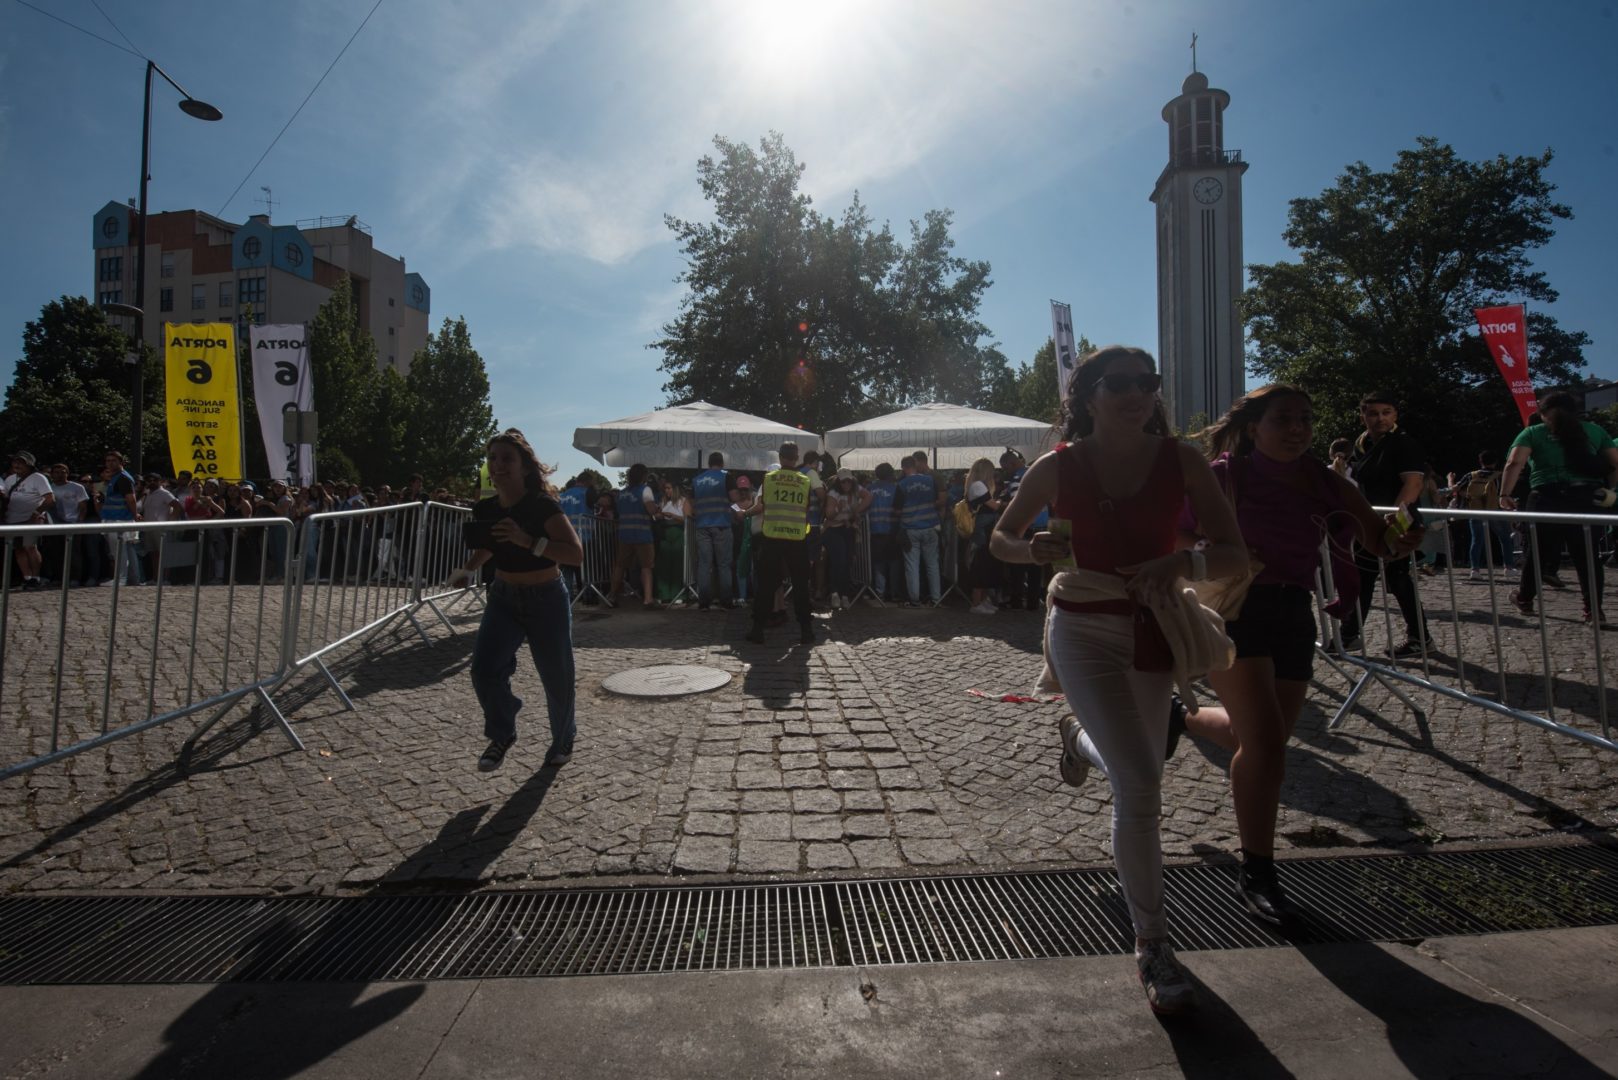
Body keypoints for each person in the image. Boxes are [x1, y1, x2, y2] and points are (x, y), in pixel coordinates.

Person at [991, 345, 1247, 1017]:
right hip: (1080, 624)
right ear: (1091, 395)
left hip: (1154, 625)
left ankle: (1077, 741)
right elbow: (1000, 538)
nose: (1139, 393)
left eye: (1149, 382)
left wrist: (1182, 562)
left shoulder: (1183, 459)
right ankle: (1154, 945)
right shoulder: (1058, 465)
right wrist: (1029, 549)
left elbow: (1231, 553)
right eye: (1123, 383)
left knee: (1141, 772)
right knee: (1141, 783)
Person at [1179, 385, 1424, 926]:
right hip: (1236, 611)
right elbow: (1175, 538)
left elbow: (1378, 540)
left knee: (1257, 741)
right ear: (1253, 428)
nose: (1297, 429)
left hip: (1294, 614)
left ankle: (1183, 718)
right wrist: (1214, 553)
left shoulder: (1324, 480)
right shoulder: (1223, 477)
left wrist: (1400, 541)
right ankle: (1258, 872)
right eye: (1284, 419)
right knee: (1266, 745)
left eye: (1306, 420)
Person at [449, 429, 583, 772]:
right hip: (503, 597)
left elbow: (574, 554)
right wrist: (467, 569)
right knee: (483, 670)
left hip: (546, 598)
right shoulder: (486, 507)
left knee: (557, 676)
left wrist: (529, 542)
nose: (498, 465)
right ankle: (503, 731)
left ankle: (563, 737)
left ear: (525, 467)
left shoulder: (542, 505)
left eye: (507, 458)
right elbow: (491, 544)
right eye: (493, 458)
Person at [1500, 391, 1618, 624]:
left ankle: (1525, 598)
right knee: (1587, 556)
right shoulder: (1594, 430)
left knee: (1537, 553)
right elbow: (1615, 463)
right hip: (1586, 497)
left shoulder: (1533, 432)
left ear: (1542, 414)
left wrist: (1504, 493)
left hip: (1546, 497)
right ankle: (1593, 610)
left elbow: (1515, 463)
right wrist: (1612, 491)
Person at [1337, 392, 1432, 656]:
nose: (1380, 418)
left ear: (1395, 415)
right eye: (1373, 413)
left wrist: (1394, 522)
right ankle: (1417, 638)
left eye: (1386, 412)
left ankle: (1351, 635)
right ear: (1363, 416)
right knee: (1374, 577)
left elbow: (1413, 484)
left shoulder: (1403, 444)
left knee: (1391, 578)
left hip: (1396, 523)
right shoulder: (1363, 446)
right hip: (1373, 523)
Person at [745, 441, 815, 646]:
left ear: (781, 458)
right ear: (796, 458)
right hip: (796, 538)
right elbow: (806, 508)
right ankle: (806, 631)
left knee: (766, 585)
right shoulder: (804, 481)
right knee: (801, 586)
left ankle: (758, 630)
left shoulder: (769, 479)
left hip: (772, 538)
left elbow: (763, 505)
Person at [1451, 450, 1516, 582]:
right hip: (1494, 511)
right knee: (1505, 539)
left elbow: (1455, 488)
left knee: (1477, 540)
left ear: (1480, 462)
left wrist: (1449, 480)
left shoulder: (1471, 475)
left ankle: (1475, 569)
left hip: (1476, 511)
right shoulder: (1499, 476)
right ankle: (1508, 567)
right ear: (1496, 462)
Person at [896, 454, 945, 606]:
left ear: (904, 468)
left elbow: (897, 510)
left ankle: (914, 599)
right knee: (932, 565)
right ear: (915, 465)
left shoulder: (902, 484)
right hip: (930, 526)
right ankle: (936, 598)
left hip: (911, 529)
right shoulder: (930, 480)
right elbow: (939, 500)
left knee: (912, 565)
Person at [609, 464, 659, 608]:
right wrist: (657, 508)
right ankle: (648, 599)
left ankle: (612, 596)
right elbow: (651, 510)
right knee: (646, 566)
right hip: (642, 534)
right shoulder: (645, 490)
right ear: (643, 476)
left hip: (624, 534)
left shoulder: (622, 493)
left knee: (620, 566)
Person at [3, 451, 55, 589]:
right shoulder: (9, 479)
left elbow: (50, 498)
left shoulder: (38, 478)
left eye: (21, 462)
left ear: (30, 464)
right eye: (15, 461)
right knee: (18, 549)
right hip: (12, 518)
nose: (17, 464)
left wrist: (37, 512)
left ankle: (36, 578)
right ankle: (26, 578)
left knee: (30, 547)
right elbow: (5, 498)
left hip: (31, 519)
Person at [822, 468, 871, 610]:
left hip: (847, 528)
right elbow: (829, 514)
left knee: (849, 560)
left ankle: (844, 594)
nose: (846, 484)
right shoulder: (833, 493)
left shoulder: (856, 488)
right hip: (833, 529)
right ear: (839, 482)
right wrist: (839, 508)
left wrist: (857, 510)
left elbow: (869, 496)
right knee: (839, 560)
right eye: (843, 482)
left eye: (849, 481)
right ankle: (835, 593)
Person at [692, 453, 735, 611]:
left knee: (704, 565)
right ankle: (726, 601)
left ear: (709, 463)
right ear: (721, 463)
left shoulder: (697, 480)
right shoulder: (726, 477)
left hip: (702, 526)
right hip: (722, 525)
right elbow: (734, 498)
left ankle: (703, 603)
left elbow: (691, 503)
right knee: (723, 565)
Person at [962, 457, 1003, 614]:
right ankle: (976, 602)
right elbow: (993, 506)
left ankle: (982, 600)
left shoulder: (976, 486)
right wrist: (1002, 503)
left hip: (985, 529)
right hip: (983, 531)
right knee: (981, 566)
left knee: (986, 565)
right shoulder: (978, 486)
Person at [98, 451, 142, 586]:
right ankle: (134, 578)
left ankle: (121, 578)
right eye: (108, 461)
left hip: (119, 519)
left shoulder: (122, 477)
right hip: (117, 518)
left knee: (119, 550)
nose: (110, 463)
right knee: (127, 549)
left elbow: (131, 499)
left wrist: (135, 515)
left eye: (113, 460)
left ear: (120, 462)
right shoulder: (117, 477)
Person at [864, 463, 901, 602]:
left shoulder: (869, 489)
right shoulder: (896, 488)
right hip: (892, 530)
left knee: (878, 562)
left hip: (874, 530)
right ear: (890, 474)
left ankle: (880, 591)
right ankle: (894, 593)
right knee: (894, 562)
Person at [654, 477, 689, 603]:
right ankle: (664, 595)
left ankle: (678, 595)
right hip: (664, 533)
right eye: (665, 489)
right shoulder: (663, 501)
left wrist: (673, 516)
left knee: (677, 564)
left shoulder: (684, 501)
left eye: (669, 488)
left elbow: (688, 519)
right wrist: (658, 516)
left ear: (675, 489)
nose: (667, 491)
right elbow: (657, 514)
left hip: (678, 532)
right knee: (663, 565)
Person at [732, 476, 758, 602]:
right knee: (740, 568)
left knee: (754, 568)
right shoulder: (733, 506)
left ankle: (754, 595)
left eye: (745, 489)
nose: (743, 492)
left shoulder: (755, 504)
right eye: (740, 490)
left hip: (753, 539)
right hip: (739, 541)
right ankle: (742, 595)